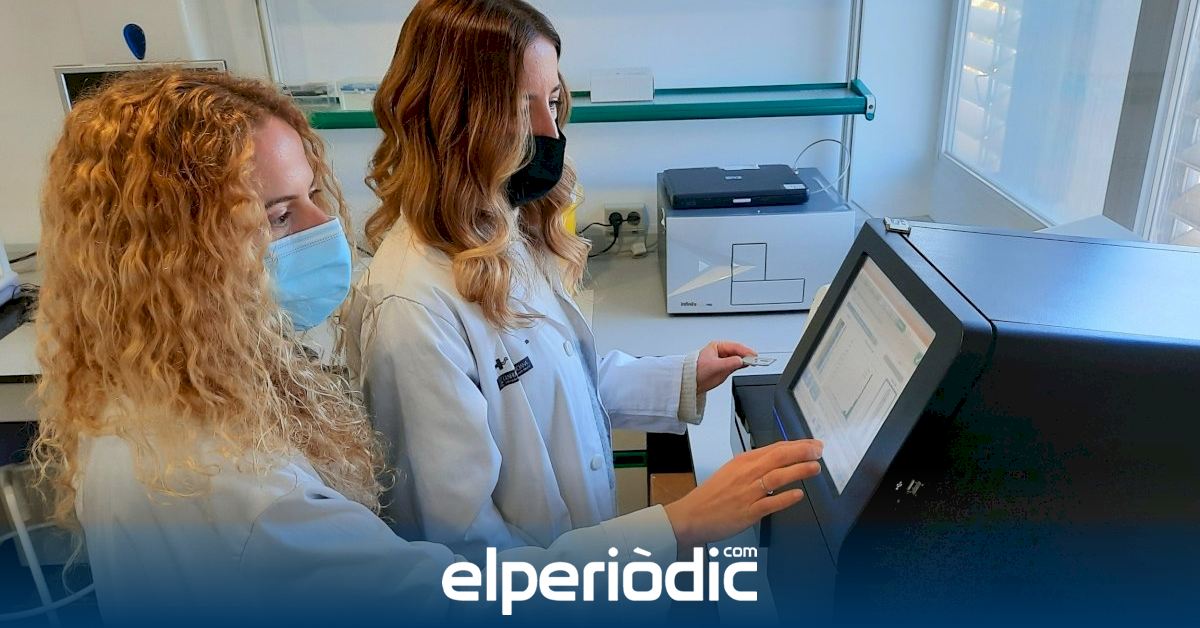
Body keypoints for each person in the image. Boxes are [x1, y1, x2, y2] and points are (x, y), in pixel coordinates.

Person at [31, 69, 821, 623]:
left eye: (313, 194)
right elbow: (449, 592)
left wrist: (676, 380)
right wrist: (678, 526)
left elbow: (545, 377)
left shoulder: (185, 383)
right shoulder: (242, 494)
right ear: (170, 254)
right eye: (277, 215)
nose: (324, 227)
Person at [347, 0, 762, 559]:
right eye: (522, 107)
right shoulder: (411, 308)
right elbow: (469, 562)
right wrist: (677, 525)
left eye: (553, 101)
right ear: (450, 119)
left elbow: (555, 390)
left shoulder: (496, 233)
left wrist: (682, 377)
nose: (551, 131)